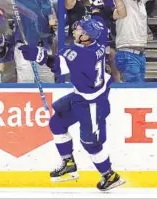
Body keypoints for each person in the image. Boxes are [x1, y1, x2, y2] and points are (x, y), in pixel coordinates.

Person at [19, 18, 125, 192]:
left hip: (93, 102)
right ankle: (68, 162)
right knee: (57, 123)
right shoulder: (96, 45)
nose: (75, 31)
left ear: (86, 36)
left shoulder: (81, 54)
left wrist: (36, 54)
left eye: (79, 30)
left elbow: (56, 65)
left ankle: (109, 175)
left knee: (90, 142)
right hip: (83, 96)